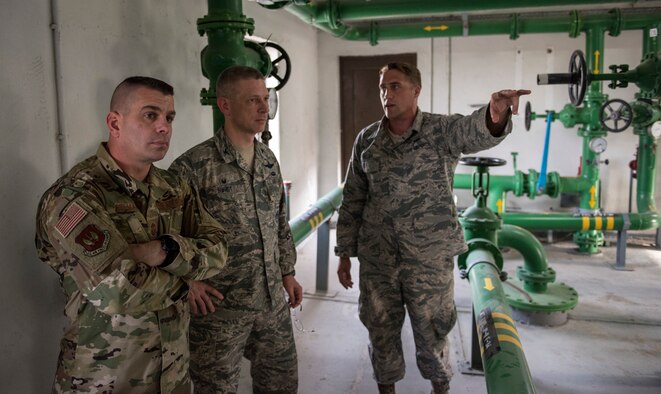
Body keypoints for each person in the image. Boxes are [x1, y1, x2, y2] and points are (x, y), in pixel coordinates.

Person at [335, 62, 530, 394]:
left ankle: (440, 388)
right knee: (380, 329)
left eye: (395, 86)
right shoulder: (367, 139)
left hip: (429, 259)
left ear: (416, 90)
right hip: (378, 259)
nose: (386, 94)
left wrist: (495, 113)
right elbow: (353, 196)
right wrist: (343, 252)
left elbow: (475, 130)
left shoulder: (441, 131)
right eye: (382, 87)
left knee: (433, 330)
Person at [35, 76, 229, 393]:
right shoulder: (74, 197)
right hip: (104, 379)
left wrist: (165, 250)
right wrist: (189, 277)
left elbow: (219, 248)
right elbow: (116, 290)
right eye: (150, 115)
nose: (164, 127)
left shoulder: (174, 187)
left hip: (173, 375)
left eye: (169, 117)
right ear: (115, 122)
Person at [169, 65, 302, 394]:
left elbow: (279, 222)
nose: (263, 108)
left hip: (271, 303)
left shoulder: (268, 160)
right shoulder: (192, 167)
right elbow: (168, 235)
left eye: (266, 99)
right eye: (253, 100)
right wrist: (187, 280)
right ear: (225, 105)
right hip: (219, 312)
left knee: (282, 383)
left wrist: (287, 272)